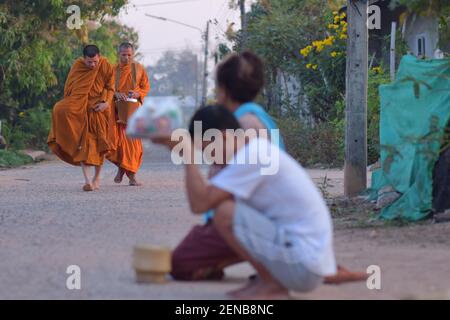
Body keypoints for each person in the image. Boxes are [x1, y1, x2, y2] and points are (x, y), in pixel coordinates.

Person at [170, 51, 367, 285]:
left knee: (181, 263)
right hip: (273, 217)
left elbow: (211, 198)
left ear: (222, 90)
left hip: (260, 218)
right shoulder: (258, 117)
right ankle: (321, 267)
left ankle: (290, 269)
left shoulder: (241, 126)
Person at [152, 105, 337, 299]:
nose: (209, 158)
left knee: (224, 212)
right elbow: (202, 201)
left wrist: (188, 157)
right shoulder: (251, 152)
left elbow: (200, 204)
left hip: (302, 266)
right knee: (224, 211)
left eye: (208, 149)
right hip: (303, 263)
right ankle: (269, 281)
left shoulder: (252, 156)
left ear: (223, 136)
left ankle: (272, 285)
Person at [48, 45, 114, 191]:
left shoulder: (105, 65)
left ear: (99, 57)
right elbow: (69, 89)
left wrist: (106, 103)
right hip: (81, 109)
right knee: (82, 143)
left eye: (95, 62)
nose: (92, 65)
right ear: (83, 58)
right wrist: (72, 106)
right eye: (89, 62)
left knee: (99, 145)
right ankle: (87, 181)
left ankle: (97, 178)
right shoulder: (77, 66)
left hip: (99, 110)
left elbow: (110, 87)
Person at [107, 42, 150, 186]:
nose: (126, 57)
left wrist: (138, 93)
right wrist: (116, 94)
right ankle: (131, 177)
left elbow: (145, 87)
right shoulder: (112, 71)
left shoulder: (139, 69)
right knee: (120, 144)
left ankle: (123, 171)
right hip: (117, 114)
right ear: (118, 54)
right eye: (123, 54)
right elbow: (106, 89)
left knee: (134, 146)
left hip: (133, 112)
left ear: (133, 54)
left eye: (129, 55)